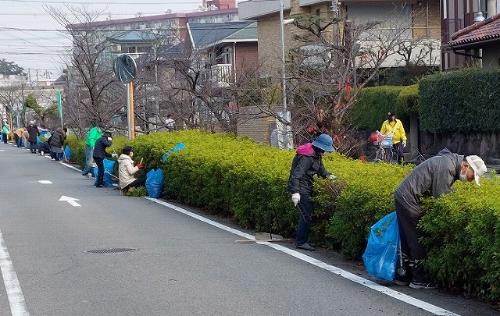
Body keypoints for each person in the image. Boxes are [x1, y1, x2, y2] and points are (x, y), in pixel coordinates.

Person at [395, 148, 487, 289]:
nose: (470, 181)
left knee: (407, 239)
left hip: (404, 197)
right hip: (409, 200)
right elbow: (442, 197)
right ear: (466, 166)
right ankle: (419, 280)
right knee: (418, 239)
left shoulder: (449, 162)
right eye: (472, 176)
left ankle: (403, 277)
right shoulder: (447, 166)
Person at [288, 133, 336, 251]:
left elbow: (321, 170)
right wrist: (295, 192)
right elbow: (296, 175)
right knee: (306, 215)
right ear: (319, 147)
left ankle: (302, 239)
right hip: (301, 188)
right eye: (324, 149)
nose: (325, 152)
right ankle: (301, 242)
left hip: (307, 187)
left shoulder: (316, 155)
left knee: (306, 214)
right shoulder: (307, 157)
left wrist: (329, 176)